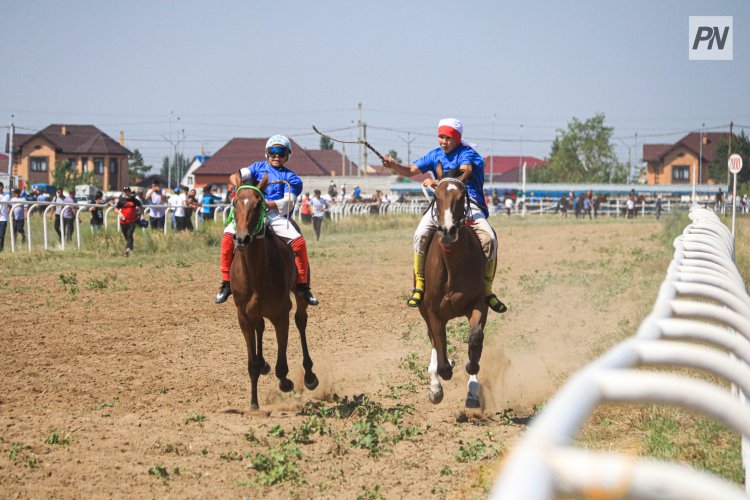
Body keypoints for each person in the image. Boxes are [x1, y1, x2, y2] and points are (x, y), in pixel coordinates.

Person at [382, 118, 505, 313]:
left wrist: (437, 181)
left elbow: (466, 171)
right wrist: (393, 164)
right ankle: (419, 286)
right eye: (441, 137)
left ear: (456, 138)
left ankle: (487, 291)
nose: (443, 142)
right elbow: (410, 171)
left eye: (448, 138)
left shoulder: (467, 153)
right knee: (420, 235)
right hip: (441, 205)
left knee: (489, 238)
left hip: (468, 203)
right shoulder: (434, 155)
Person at [215, 134, 319, 306]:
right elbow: (236, 175)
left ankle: (302, 286)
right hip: (252, 212)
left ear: (287, 155)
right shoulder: (257, 167)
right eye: (273, 152)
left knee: (299, 243)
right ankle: (226, 283)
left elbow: (290, 201)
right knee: (227, 237)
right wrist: (238, 183)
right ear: (267, 154)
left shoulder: (292, 178)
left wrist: (269, 204)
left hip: (274, 214)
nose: (276, 156)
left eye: (281, 152)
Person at [115, 187, 143, 257]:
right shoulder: (121, 200)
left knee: (129, 234)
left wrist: (142, 215)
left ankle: (127, 249)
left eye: (128, 192)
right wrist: (119, 213)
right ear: (124, 193)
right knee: (126, 236)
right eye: (125, 192)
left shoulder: (134, 200)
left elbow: (141, 207)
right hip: (123, 222)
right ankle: (131, 247)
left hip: (132, 221)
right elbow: (115, 209)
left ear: (130, 192)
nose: (126, 193)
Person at [0, 182, 9, 252]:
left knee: (1, 235)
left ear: (2, 187)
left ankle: (1, 249)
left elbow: (9, 206)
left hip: (3, 218)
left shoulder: (6, 196)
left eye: (0, 186)